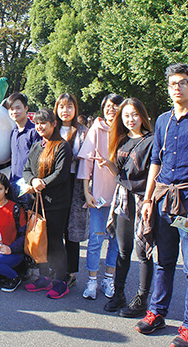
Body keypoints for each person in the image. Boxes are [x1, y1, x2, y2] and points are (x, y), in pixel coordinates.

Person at [135, 63, 188, 347]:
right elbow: (155, 163)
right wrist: (148, 199)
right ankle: (157, 313)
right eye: (173, 83)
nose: (177, 87)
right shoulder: (162, 120)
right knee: (164, 261)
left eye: (183, 82)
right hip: (162, 199)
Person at [91, 98, 154, 318]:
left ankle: (141, 299)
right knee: (123, 249)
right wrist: (109, 165)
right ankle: (119, 294)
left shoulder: (152, 141)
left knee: (143, 250)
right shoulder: (122, 139)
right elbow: (121, 172)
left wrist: (148, 200)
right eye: (126, 115)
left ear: (143, 116)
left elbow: (152, 174)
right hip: (123, 199)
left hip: (142, 200)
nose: (130, 119)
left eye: (134, 114)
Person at [77, 93, 124, 300]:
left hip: (121, 196)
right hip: (98, 197)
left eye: (115, 106)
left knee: (115, 241)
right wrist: (87, 192)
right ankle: (92, 281)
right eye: (108, 106)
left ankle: (108, 279)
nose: (111, 109)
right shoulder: (96, 128)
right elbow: (86, 162)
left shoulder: (125, 130)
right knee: (96, 239)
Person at [23, 108, 73, 299]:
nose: (40, 126)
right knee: (40, 240)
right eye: (37, 123)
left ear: (54, 124)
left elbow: (60, 174)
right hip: (37, 200)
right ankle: (44, 277)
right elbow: (27, 168)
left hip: (57, 203)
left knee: (54, 242)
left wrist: (41, 183)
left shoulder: (62, 146)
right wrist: (32, 181)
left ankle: (61, 280)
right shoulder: (37, 145)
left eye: (44, 122)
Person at [55, 93, 88, 288]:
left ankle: (71, 272)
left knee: (72, 231)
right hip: (55, 183)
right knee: (56, 229)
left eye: (69, 106)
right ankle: (56, 269)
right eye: (61, 106)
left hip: (75, 183)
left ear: (75, 109)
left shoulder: (84, 131)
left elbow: (87, 160)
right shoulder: (52, 129)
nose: (65, 110)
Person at [6, 92, 40, 207]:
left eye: (18, 108)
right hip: (14, 182)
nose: (14, 112)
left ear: (26, 108)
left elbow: (37, 161)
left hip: (27, 184)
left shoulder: (34, 132)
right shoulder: (13, 132)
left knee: (27, 218)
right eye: (11, 109)